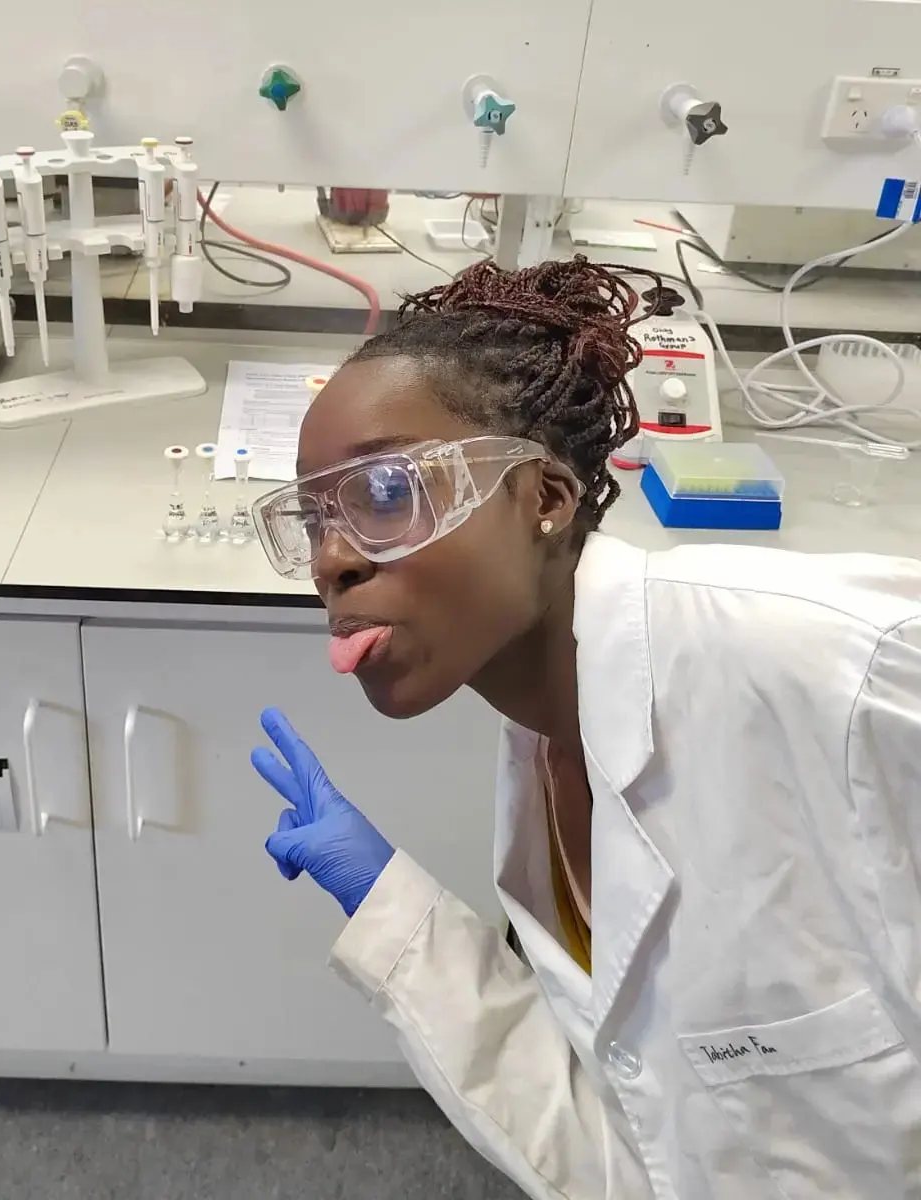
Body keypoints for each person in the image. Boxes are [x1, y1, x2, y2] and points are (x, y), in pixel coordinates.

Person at [247, 257, 921, 1200]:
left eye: (387, 493)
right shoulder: (551, 759)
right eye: (313, 517)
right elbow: (632, 1149)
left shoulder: (841, 664)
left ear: (547, 501)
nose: (331, 563)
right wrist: (388, 905)